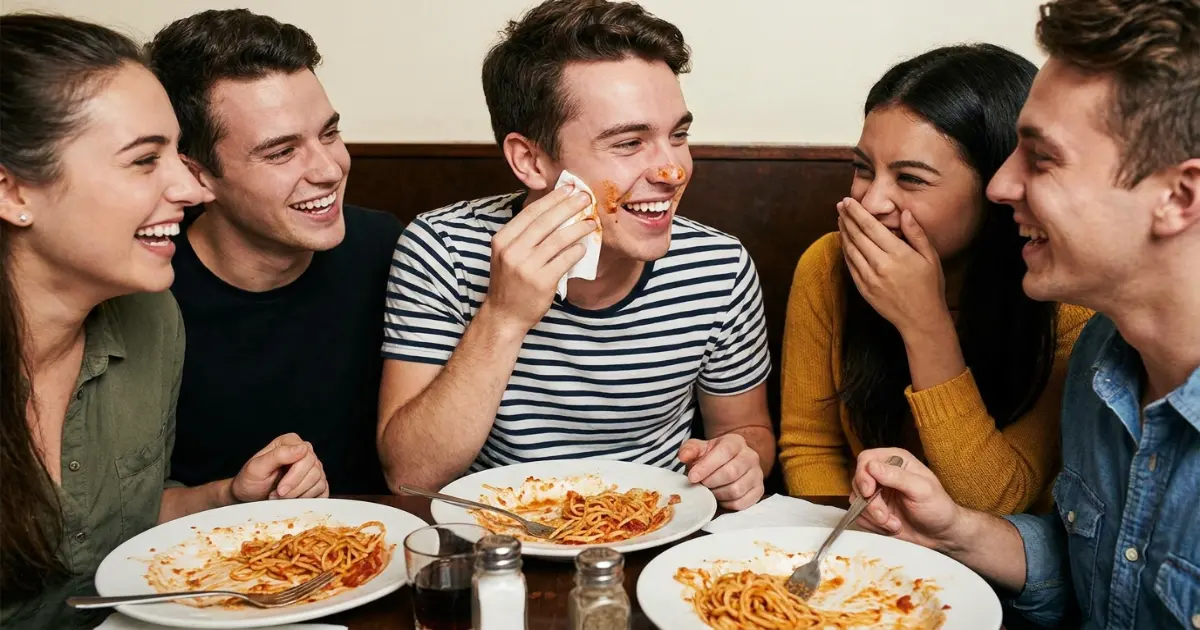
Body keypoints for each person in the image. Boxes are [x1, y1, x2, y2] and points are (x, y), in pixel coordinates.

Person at [852, 0, 1200, 626]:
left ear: (1179, 197)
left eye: (1040, 158)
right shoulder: (1104, 352)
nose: (998, 186)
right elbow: (1101, 571)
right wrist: (956, 530)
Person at [376, 0, 774, 510]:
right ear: (531, 160)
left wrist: (740, 462)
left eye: (678, 135)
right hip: (500, 535)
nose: (673, 171)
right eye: (629, 143)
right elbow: (408, 473)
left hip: (661, 528)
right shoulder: (443, 250)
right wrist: (503, 317)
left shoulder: (719, 266)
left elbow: (747, 430)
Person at [0, 15, 329, 629]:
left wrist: (224, 499)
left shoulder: (152, 318)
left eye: (177, 154)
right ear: (13, 192)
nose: (191, 187)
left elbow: (109, 526)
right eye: (145, 160)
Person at [778, 44, 1092, 515]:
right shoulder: (829, 265)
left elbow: (999, 503)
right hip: (858, 549)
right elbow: (811, 447)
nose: (872, 201)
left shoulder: (1067, 304)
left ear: (997, 188)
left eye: (911, 179)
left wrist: (924, 324)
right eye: (864, 169)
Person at [146, 9, 403, 494]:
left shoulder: (388, 249)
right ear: (198, 175)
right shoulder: (147, 288)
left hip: (378, 549)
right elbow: (111, 511)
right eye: (282, 152)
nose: (329, 168)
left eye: (329, 133)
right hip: (205, 561)